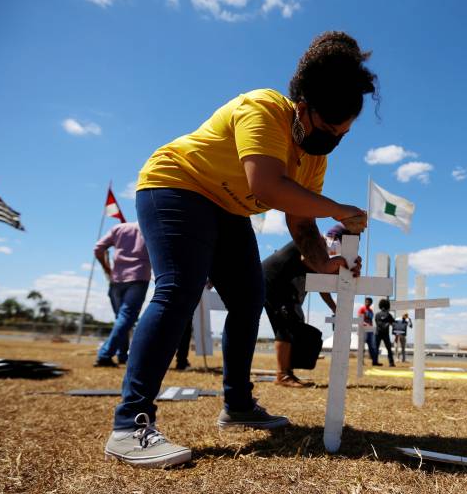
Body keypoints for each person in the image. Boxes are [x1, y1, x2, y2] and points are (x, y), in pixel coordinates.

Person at [103, 31, 377, 468]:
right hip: (176, 186)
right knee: (179, 290)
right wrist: (339, 210)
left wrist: (324, 261)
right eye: (328, 129)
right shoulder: (264, 108)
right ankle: (129, 424)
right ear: (302, 106)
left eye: (342, 135)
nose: (332, 141)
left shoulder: (314, 155)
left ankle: (238, 405)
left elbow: (300, 219)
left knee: (250, 299)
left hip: (228, 209)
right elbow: (266, 186)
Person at [262, 234, 338, 387]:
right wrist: (332, 266)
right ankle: (282, 375)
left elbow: (322, 285)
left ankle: (287, 373)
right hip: (274, 282)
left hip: (282, 287)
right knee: (285, 327)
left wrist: (334, 307)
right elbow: (306, 259)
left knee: (293, 325)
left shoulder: (320, 255)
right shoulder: (317, 240)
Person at [93, 222, 151, 367]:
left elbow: (98, 248)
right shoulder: (149, 227)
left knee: (122, 319)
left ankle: (122, 355)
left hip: (117, 278)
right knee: (126, 318)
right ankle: (105, 354)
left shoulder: (119, 228)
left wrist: (107, 268)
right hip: (139, 277)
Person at [374, 298, 395, 367]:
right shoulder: (388, 315)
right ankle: (391, 363)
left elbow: (378, 323)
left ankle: (375, 362)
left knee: (377, 348)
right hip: (384, 334)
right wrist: (388, 324)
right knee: (388, 348)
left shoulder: (377, 314)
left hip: (379, 333)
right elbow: (393, 323)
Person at [357, 297, 379, 366]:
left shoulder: (371, 311)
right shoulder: (362, 309)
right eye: (367, 301)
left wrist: (372, 327)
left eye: (369, 302)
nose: (368, 303)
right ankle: (361, 362)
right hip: (363, 329)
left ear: (371, 303)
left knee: (373, 346)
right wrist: (365, 324)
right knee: (361, 346)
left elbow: (371, 320)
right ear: (365, 302)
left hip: (370, 330)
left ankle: (374, 362)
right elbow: (359, 319)